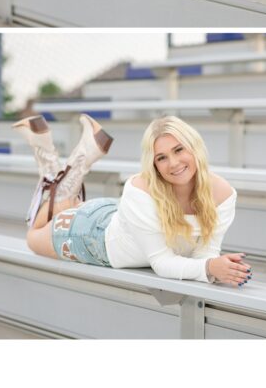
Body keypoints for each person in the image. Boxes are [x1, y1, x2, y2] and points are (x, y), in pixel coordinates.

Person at [21, 113, 248, 286]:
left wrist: (218, 267)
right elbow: (163, 263)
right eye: (162, 158)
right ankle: (58, 174)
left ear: (195, 147)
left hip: (125, 218)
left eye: (179, 150)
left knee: (49, 219)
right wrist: (210, 268)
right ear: (154, 165)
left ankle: (58, 170)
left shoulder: (223, 194)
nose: (174, 163)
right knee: (32, 236)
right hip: (92, 236)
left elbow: (205, 254)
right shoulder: (140, 189)